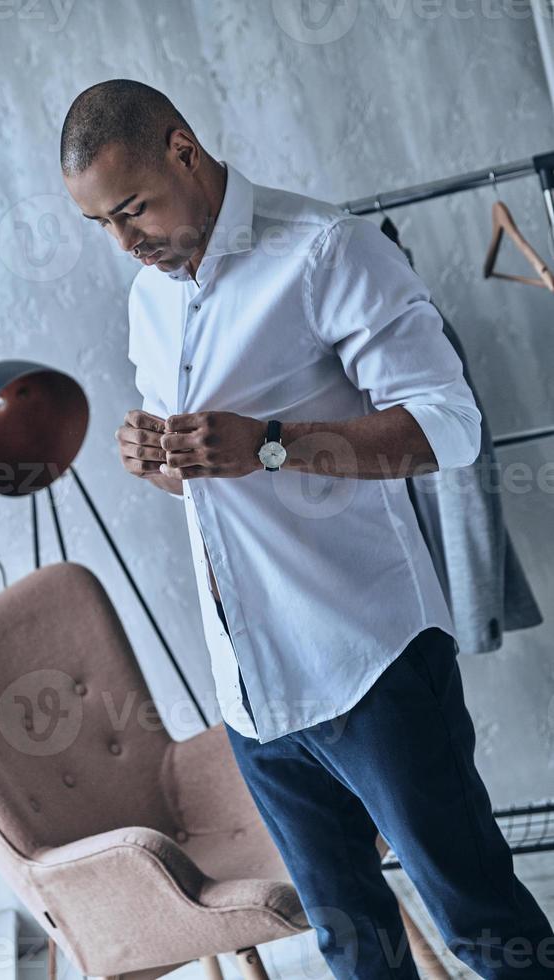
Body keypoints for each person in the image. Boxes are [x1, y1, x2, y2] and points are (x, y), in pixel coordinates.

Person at [60, 78, 554, 978]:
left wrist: (275, 445)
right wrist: (162, 463)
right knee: (352, 950)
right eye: (102, 225)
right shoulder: (149, 300)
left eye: (132, 210)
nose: (125, 244)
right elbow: (210, 487)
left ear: (183, 149)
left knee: (481, 924)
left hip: (374, 666)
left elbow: (450, 424)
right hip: (254, 694)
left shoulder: (328, 250)